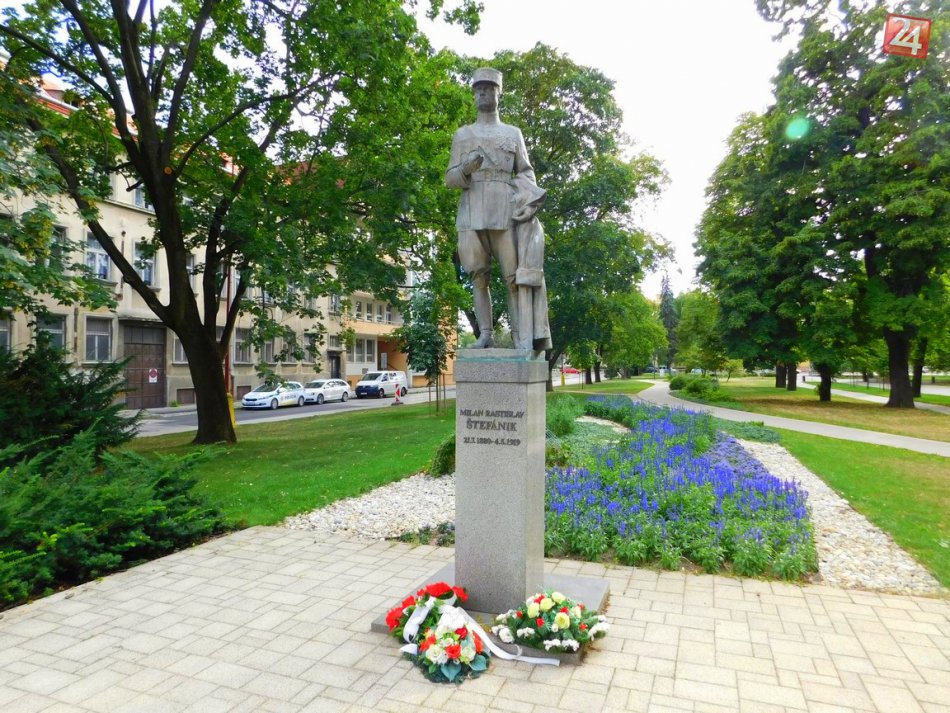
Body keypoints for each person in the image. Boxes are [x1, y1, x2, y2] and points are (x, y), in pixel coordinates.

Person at [445, 68, 552, 352]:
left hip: (505, 212)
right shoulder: (462, 135)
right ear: (473, 95)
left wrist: (527, 202)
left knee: (514, 279)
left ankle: (521, 336)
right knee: (478, 278)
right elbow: (450, 179)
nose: (483, 93)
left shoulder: (513, 133)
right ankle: (485, 334)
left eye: (489, 89)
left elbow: (526, 172)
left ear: (498, 93)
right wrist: (466, 168)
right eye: (479, 89)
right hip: (471, 212)